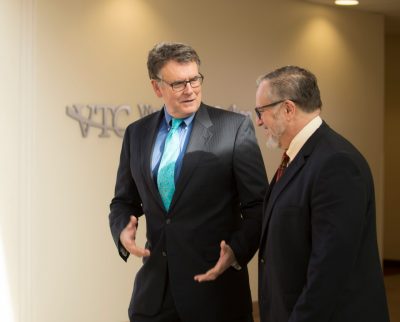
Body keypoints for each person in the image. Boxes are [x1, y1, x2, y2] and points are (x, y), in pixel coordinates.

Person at [109, 42, 268, 322]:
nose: (190, 89)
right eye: (179, 83)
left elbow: (258, 205)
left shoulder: (233, 129)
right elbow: (124, 200)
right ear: (157, 88)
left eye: (195, 79)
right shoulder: (136, 133)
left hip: (216, 294)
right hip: (154, 298)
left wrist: (235, 251)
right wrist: (123, 230)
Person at [256, 65, 390, 322]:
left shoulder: (337, 163)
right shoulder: (296, 158)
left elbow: (330, 269)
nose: (259, 120)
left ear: (287, 109)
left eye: (262, 111)